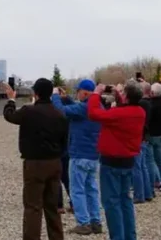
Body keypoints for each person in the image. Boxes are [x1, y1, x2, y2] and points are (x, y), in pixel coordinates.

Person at [4, 78, 69, 240]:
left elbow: (9, 116)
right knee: (52, 207)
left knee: (33, 207)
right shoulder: (60, 114)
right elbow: (64, 142)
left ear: (36, 93)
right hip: (55, 163)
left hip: (34, 164)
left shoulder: (28, 111)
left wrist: (11, 99)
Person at [87, 82, 146, 240]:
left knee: (111, 203)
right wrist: (117, 94)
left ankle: (118, 237)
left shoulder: (119, 114)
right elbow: (125, 106)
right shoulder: (140, 112)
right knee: (125, 201)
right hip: (128, 162)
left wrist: (95, 93)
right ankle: (129, 236)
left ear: (126, 96)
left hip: (111, 162)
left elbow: (93, 113)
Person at [51, 80, 102, 235]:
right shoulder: (97, 106)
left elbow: (60, 111)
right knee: (92, 189)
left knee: (77, 191)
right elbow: (77, 108)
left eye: (78, 91)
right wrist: (66, 98)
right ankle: (96, 221)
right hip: (93, 155)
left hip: (79, 154)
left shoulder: (83, 108)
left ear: (85, 93)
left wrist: (55, 96)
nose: (77, 93)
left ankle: (83, 223)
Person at [133, 79, 154, 203]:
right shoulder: (150, 103)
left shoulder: (141, 104)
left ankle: (140, 194)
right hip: (145, 136)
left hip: (139, 137)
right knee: (143, 166)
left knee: (137, 167)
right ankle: (148, 192)